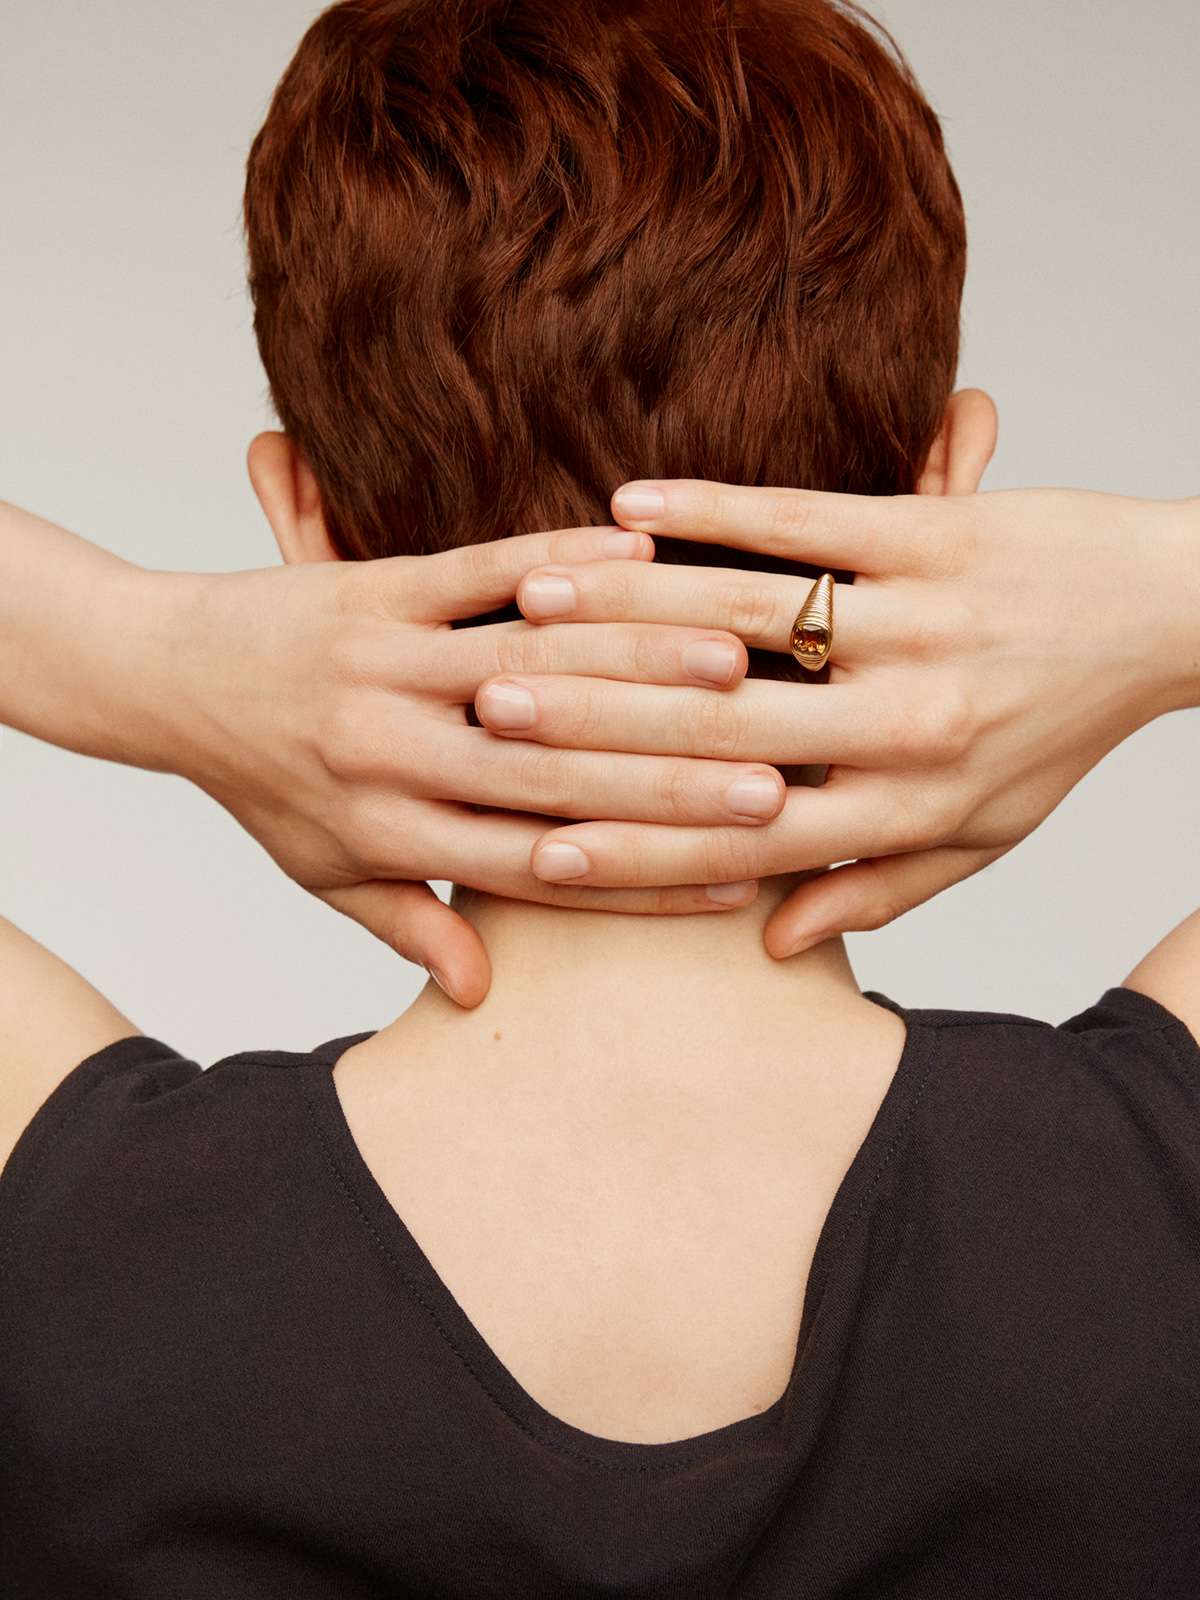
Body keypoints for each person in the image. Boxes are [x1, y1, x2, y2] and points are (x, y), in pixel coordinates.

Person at [1, 1, 1198, 1591]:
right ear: (944, 488)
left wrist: (136, 652)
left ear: (302, 520)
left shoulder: (69, 1229)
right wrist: (1166, 591)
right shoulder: (1162, 1196)